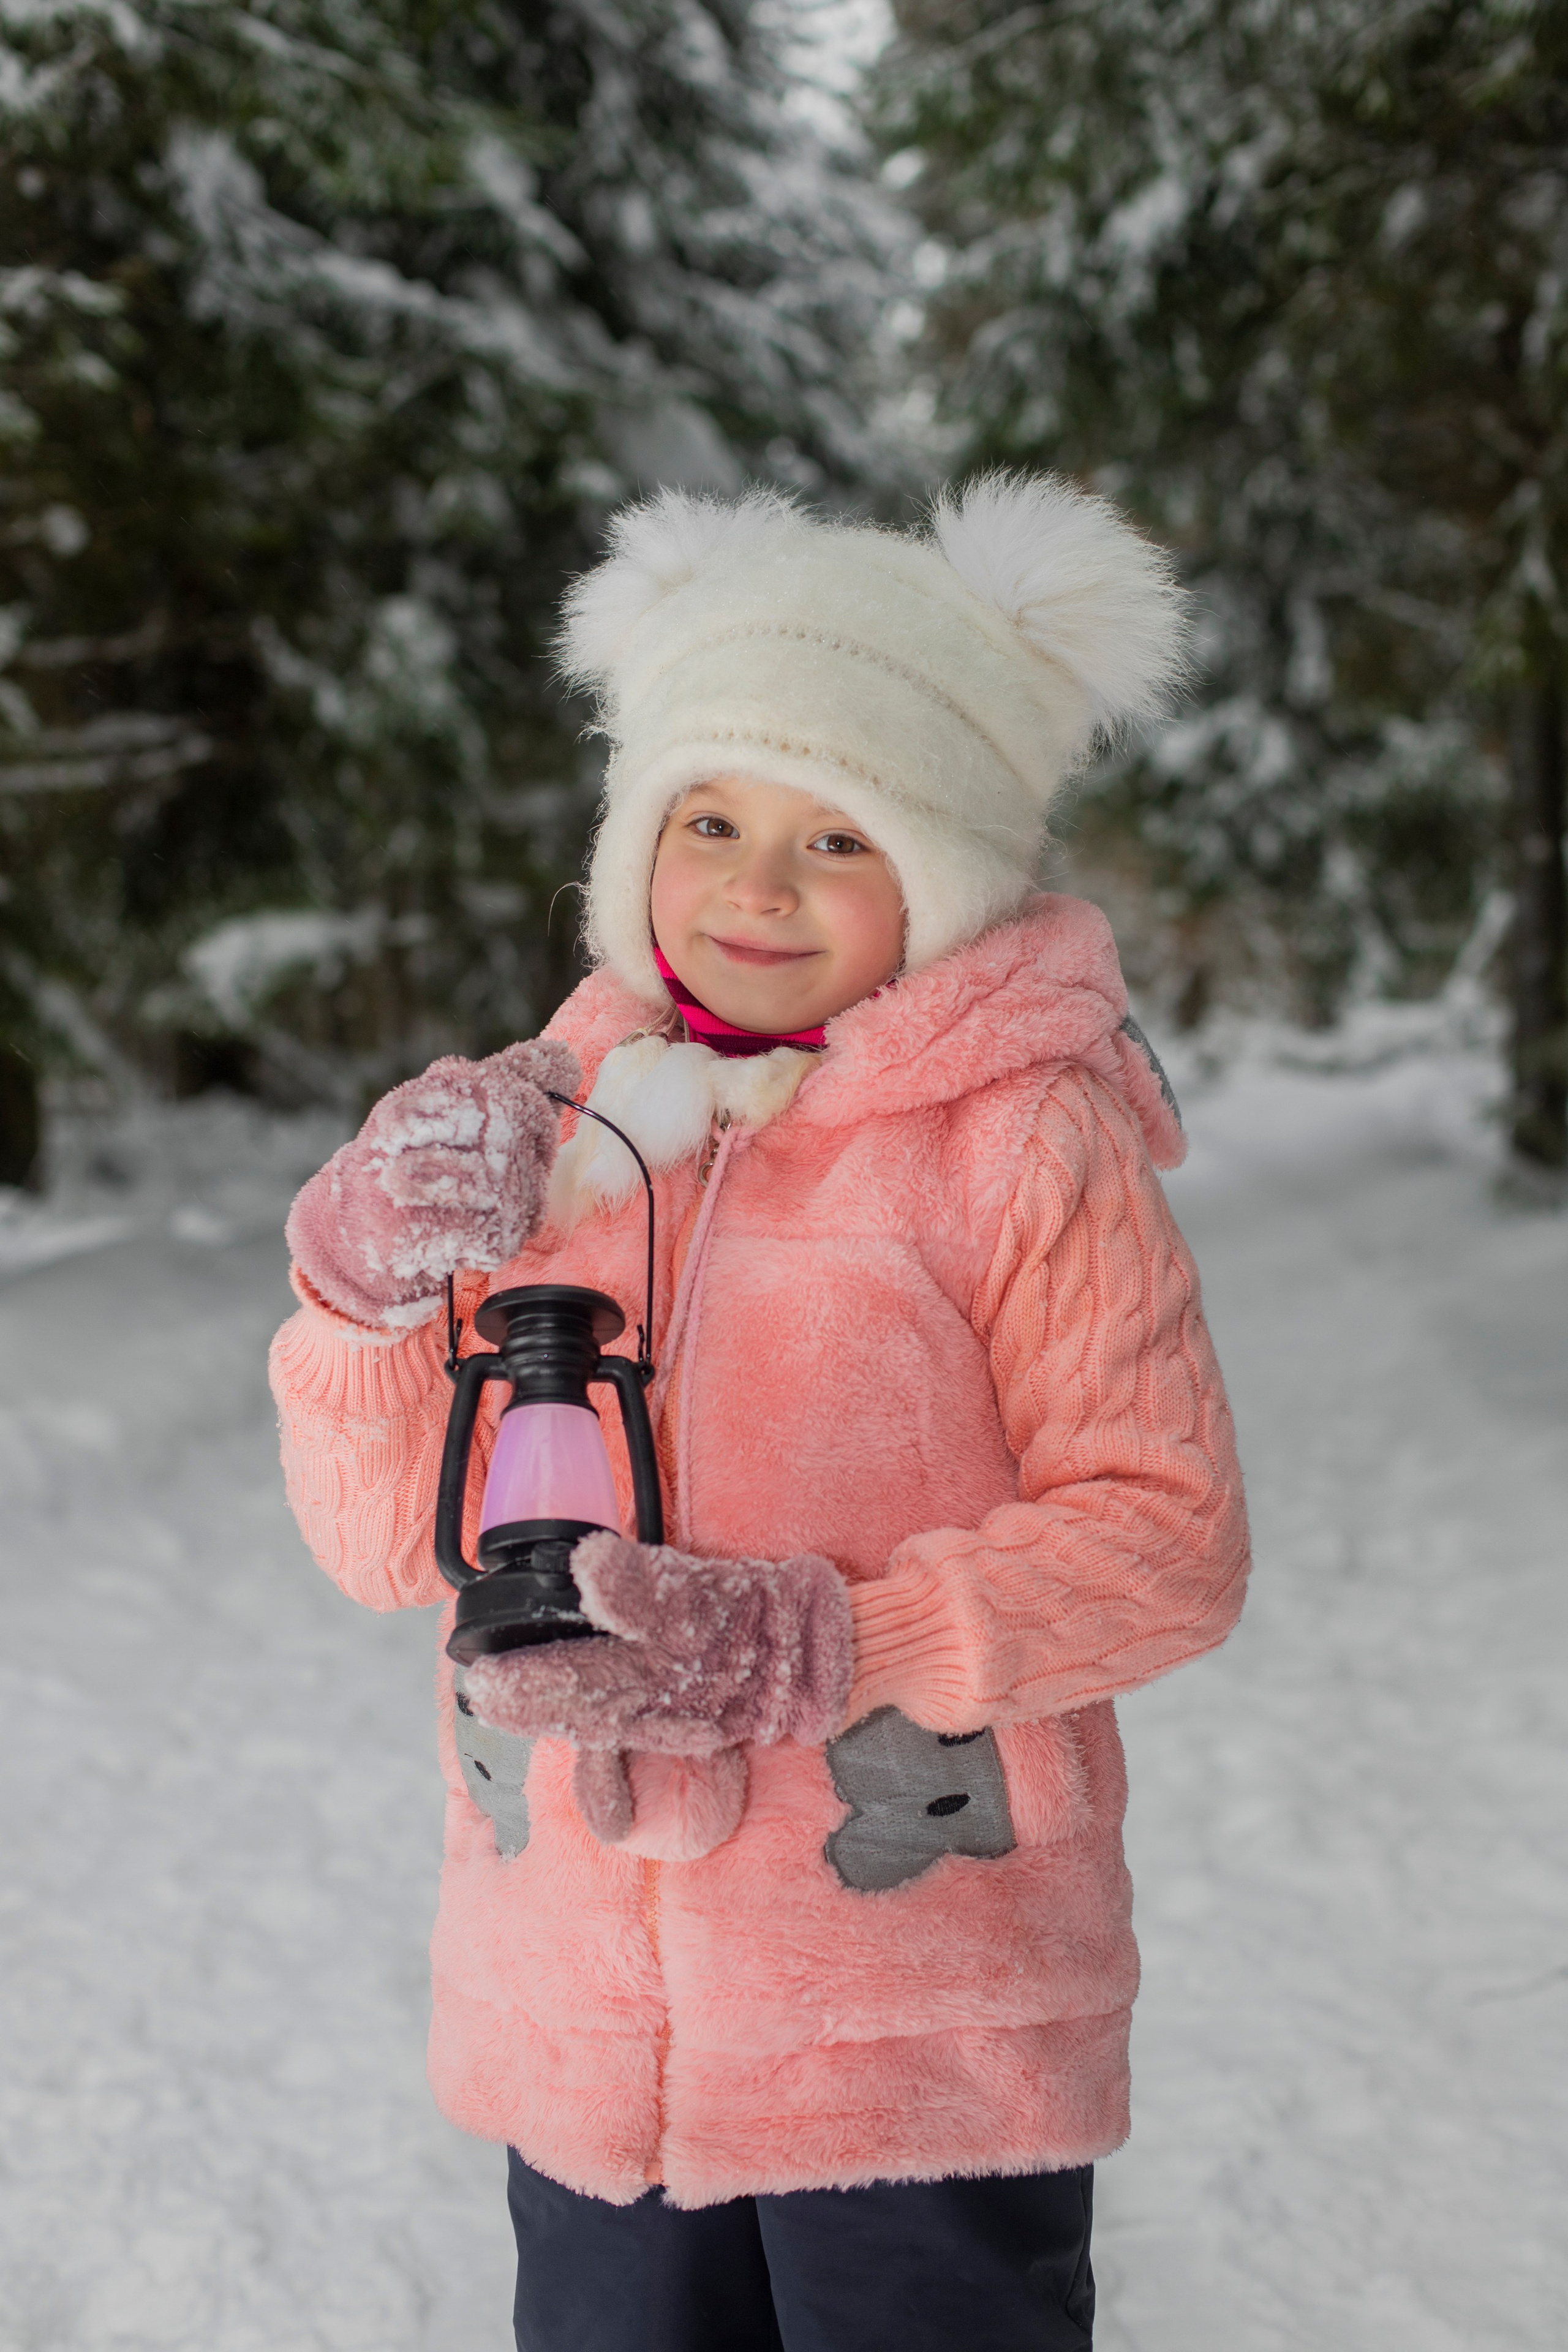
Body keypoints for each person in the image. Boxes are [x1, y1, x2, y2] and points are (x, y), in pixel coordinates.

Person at [271, 474, 1250, 2352]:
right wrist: (359, 1287)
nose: (755, 884)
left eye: (839, 837)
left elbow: (1165, 1538)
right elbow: (385, 1545)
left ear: (943, 872)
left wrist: (819, 1646)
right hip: (580, 2019)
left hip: (916, 2025)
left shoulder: (1019, 1140)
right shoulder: (538, 1125)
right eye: (709, 816)